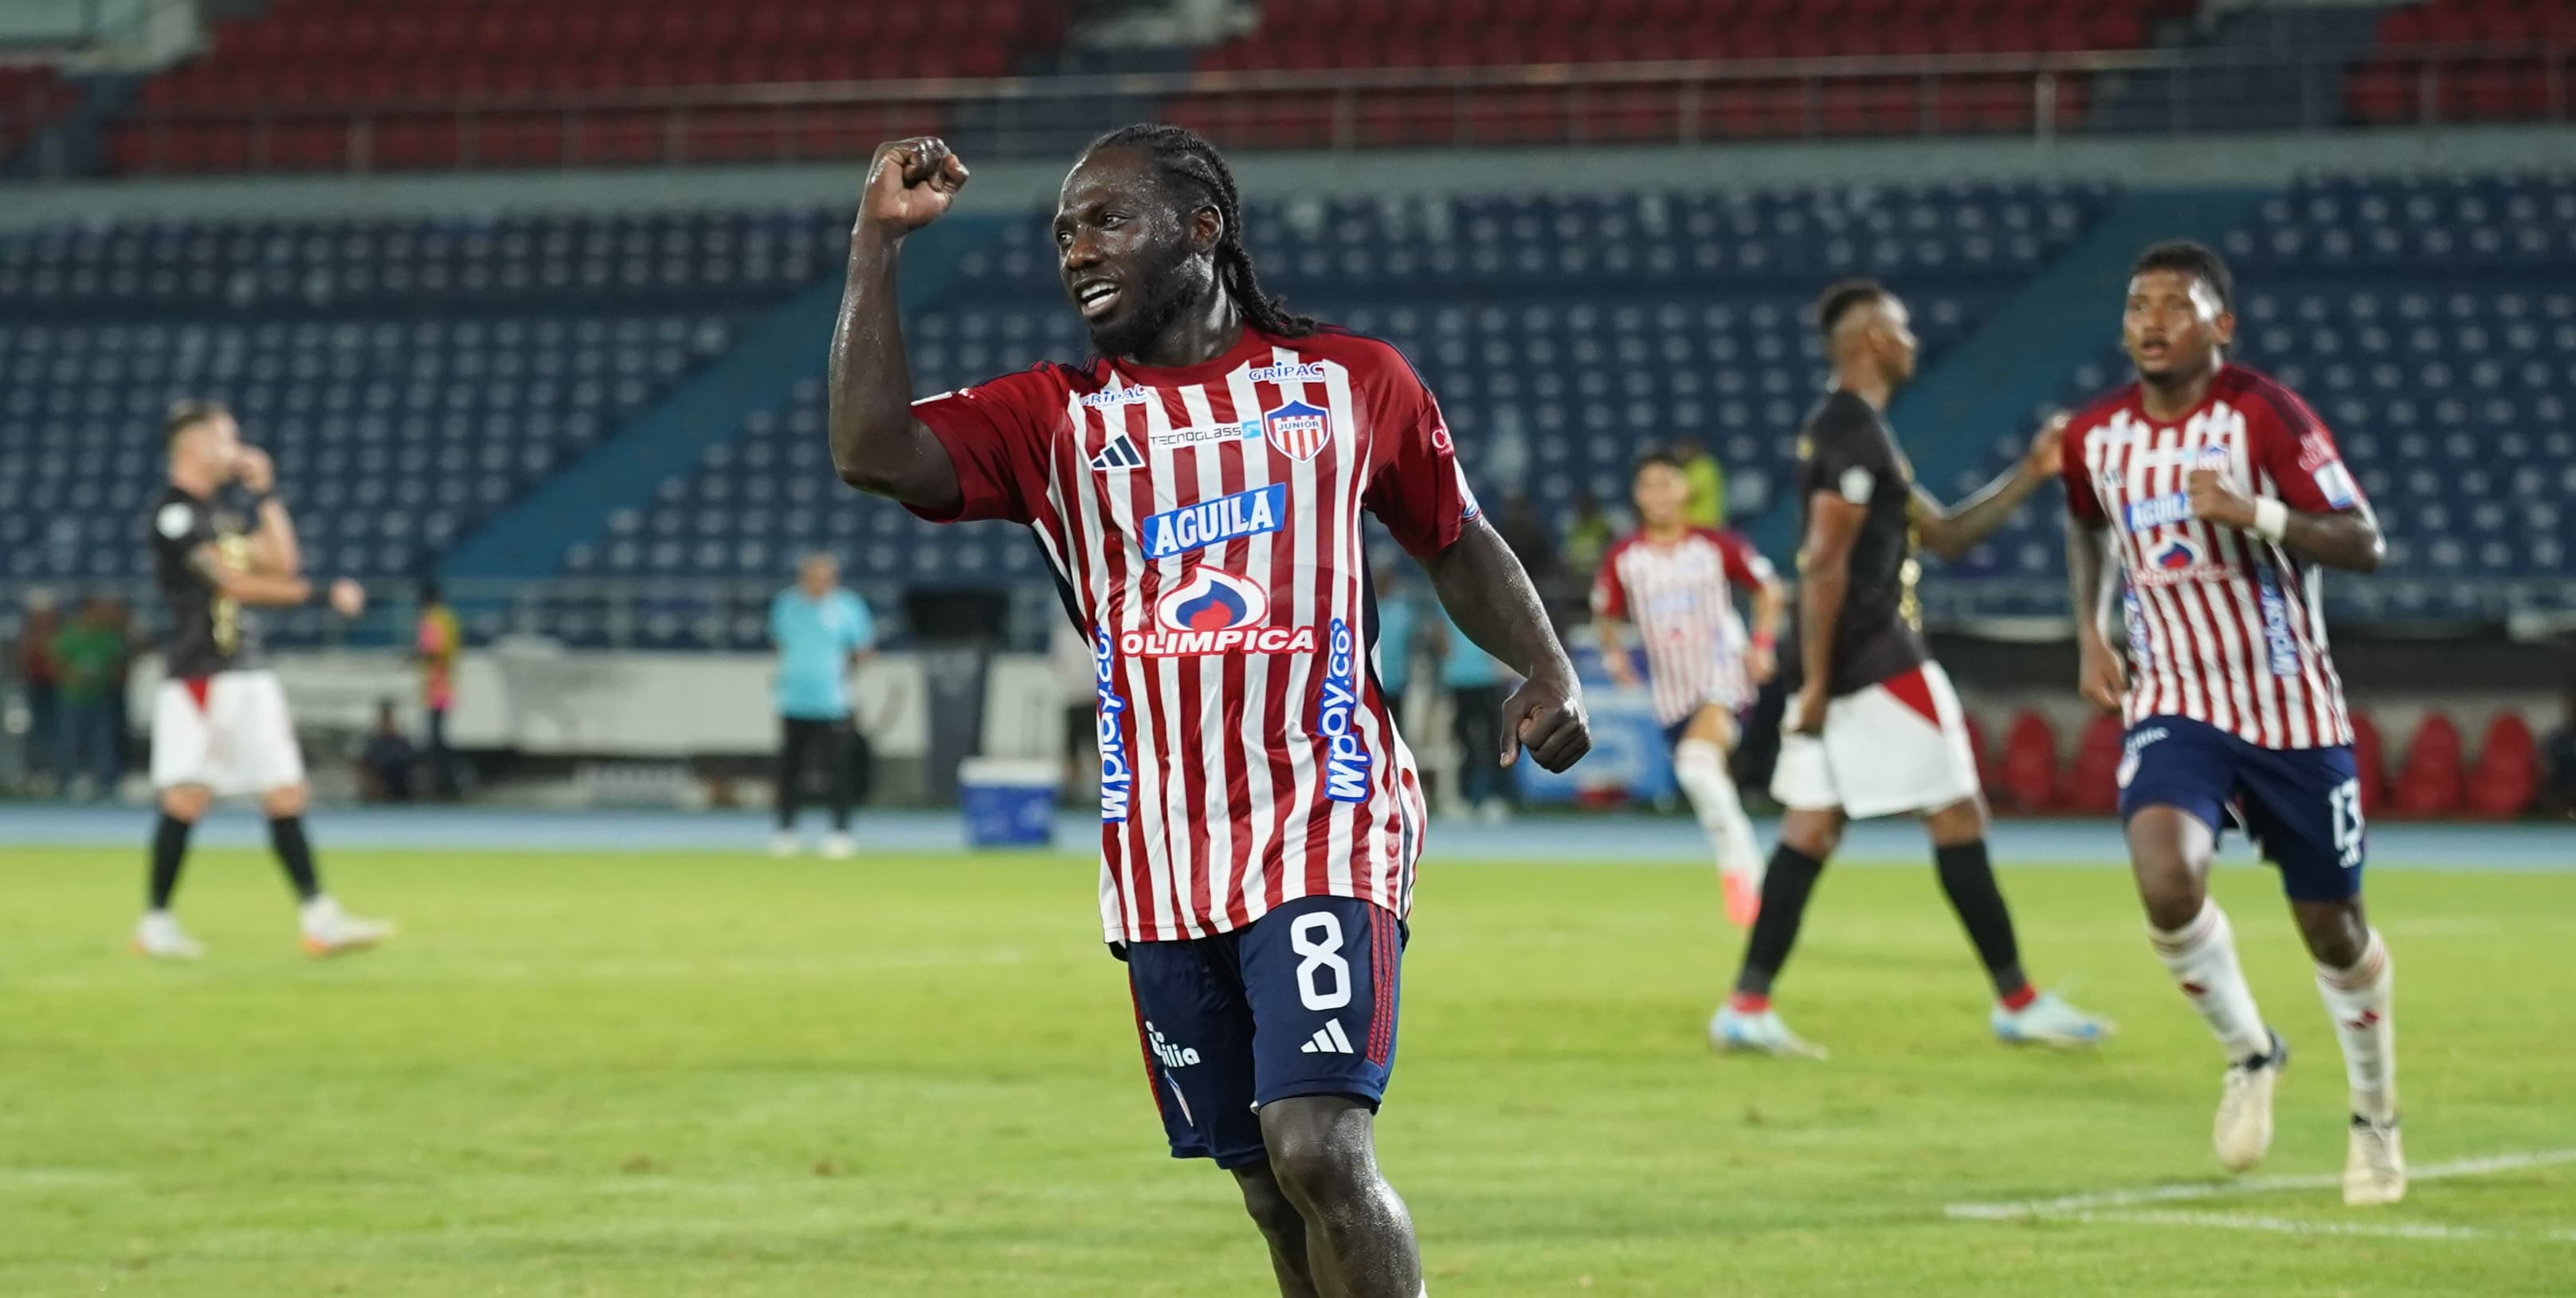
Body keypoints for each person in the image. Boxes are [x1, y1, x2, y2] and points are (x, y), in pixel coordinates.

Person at [826, 125, 1590, 1298]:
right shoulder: (1054, 418)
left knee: (1319, 1145)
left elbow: (1454, 534)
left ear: (1202, 228)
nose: (1077, 249)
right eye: (1064, 231)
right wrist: (877, 242)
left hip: (1325, 810)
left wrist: (1547, 665)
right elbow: (871, 449)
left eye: (1107, 221)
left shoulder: (1352, 380)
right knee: (1264, 1186)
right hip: (1162, 851)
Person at [2063, 241, 2402, 1206]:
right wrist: (2089, 633)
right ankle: (2250, 1052)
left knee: (2332, 931)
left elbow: (2363, 541)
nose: (2152, 321)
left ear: (2221, 324)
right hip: (2176, 701)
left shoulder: (2263, 413)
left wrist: (2256, 512)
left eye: (2177, 304)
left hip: (2290, 707)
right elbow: (2084, 520)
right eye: (2137, 306)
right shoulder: (2096, 435)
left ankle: (2374, 1117)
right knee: (2165, 884)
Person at [1715, 280, 2109, 1058]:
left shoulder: (1856, 431)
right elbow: (1823, 564)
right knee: (1957, 814)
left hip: (1835, 660)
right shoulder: (1851, 432)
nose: (1910, 339)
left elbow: (1944, 535)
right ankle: (2018, 1000)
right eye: (1897, 328)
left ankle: (1745, 1004)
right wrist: (1823, 684)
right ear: (1867, 340)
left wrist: (2029, 472)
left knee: (1811, 828)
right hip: (1871, 658)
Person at [136, 400, 392, 960]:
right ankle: (155, 922)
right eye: (227, 439)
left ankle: (319, 918)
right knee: (187, 797)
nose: (237, 448)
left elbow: (281, 562)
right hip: (202, 672)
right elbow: (233, 584)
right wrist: (323, 596)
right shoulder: (174, 515)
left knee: (285, 791)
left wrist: (266, 494)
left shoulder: (223, 514)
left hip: (245, 670)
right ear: (195, 446)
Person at [1594, 450, 1786, 927]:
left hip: (1724, 674)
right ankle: (1747, 868)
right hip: (1672, 692)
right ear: (1638, 496)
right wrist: (1616, 656)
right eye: (1649, 485)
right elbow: (1605, 613)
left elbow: (1770, 590)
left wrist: (1761, 644)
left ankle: (1745, 877)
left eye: (1668, 483)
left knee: (1697, 766)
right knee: (1701, 774)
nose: (1659, 494)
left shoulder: (1717, 546)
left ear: (1687, 490)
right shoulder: (1625, 558)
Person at [768, 551, 875, 859]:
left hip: (833, 702)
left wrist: (844, 677)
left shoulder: (848, 607)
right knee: (790, 768)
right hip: (792, 700)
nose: (819, 583)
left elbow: (863, 648)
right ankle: (786, 831)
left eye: (825, 577)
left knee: (838, 770)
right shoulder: (785, 605)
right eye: (813, 576)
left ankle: (840, 832)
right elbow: (778, 642)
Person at [1425, 600, 1513, 822]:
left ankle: (1496, 798)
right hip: (1460, 679)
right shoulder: (1446, 603)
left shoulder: (1488, 602)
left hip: (1487, 679)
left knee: (1495, 740)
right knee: (1464, 744)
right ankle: (1465, 799)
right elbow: (1438, 635)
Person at [51, 592, 128, 799]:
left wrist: (106, 677)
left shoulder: (106, 635)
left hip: (99, 696)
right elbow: (56, 663)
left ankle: (106, 784)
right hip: (72, 697)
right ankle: (64, 783)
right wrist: (73, 676)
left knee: (103, 741)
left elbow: (117, 663)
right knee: (69, 740)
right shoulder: (69, 635)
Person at [414, 578, 461, 799]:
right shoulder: (449, 618)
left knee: (436, 740)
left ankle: (446, 785)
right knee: (438, 737)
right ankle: (448, 783)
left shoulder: (432, 619)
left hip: (436, 686)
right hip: (447, 682)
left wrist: (415, 656)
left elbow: (433, 650)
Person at [14, 591, 60, 794]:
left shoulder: (59, 633)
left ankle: (56, 773)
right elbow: (22, 662)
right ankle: (36, 773)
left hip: (58, 687)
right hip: (35, 686)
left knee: (58, 731)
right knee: (37, 731)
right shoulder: (27, 634)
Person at [356, 698, 418, 803]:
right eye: (385, 719)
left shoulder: (403, 743)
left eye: (390, 718)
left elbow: (412, 767)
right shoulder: (372, 744)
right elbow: (365, 767)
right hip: (378, 793)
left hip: (402, 793)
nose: (388, 722)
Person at [1558, 488, 1616, 580]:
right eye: (1580, 505)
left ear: (1593, 505)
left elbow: (1611, 554)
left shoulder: (1603, 526)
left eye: (1587, 504)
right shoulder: (1572, 528)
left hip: (1598, 575)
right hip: (1576, 576)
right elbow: (1567, 556)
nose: (1583, 508)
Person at [1672, 436, 1727, 528]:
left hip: (1706, 524)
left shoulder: (1704, 467)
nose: (1679, 454)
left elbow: (1686, 493)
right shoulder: (1689, 468)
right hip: (1692, 525)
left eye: (1682, 450)